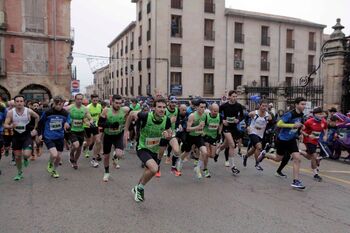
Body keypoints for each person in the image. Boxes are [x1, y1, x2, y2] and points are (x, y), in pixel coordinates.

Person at [125, 97, 172, 202]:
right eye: (159, 107)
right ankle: (140, 188)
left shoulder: (166, 119)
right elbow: (132, 114)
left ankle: (137, 187)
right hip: (142, 147)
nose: (162, 109)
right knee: (154, 169)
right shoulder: (145, 116)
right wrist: (126, 131)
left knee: (148, 171)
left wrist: (168, 135)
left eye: (164, 107)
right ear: (154, 108)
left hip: (154, 150)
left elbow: (170, 133)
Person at [257, 97, 306, 189]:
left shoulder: (301, 115)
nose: (304, 106)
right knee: (277, 159)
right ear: (296, 104)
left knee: (297, 158)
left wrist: (300, 131)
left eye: (304, 104)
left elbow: (298, 125)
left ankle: (296, 181)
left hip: (291, 140)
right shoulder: (290, 114)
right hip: (282, 140)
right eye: (302, 104)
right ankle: (265, 154)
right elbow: (279, 124)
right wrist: (292, 125)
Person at [4, 95, 39, 181]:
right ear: (15, 103)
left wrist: (35, 129)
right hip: (16, 137)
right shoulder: (11, 112)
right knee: (17, 157)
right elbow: (5, 124)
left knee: (26, 154)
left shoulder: (28, 111)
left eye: (21, 101)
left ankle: (26, 158)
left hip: (27, 135)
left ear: (24, 102)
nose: (19, 103)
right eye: (17, 101)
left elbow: (37, 117)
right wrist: (10, 126)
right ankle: (19, 172)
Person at [98, 95, 130, 182]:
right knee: (106, 156)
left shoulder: (125, 110)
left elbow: (132, 114)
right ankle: (106, 172)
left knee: (120, 154)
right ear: (112, 102)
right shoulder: (106, 111)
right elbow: (100, 123)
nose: (118, 105)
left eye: (120, 103)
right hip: (108, 136)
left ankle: (115, 158)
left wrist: (127, 127)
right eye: (116, 103)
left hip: (118, 135)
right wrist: (109, 125)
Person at [38, 96, 70, 178]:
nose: (59, 106)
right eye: (57, 104)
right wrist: (40, 134)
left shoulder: (65, 113)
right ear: (54, 104)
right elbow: (40, 123)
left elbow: (69, 120)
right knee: (55, 155)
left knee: (58, 157)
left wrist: (67, 123)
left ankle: (54, 170)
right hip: (49, 136)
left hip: (60, 137)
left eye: (60, 104)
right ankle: (50, 163)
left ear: (63, 104)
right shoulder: (48, 112)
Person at [177, 98, 208, 178]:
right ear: (197, 107)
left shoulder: (205, 115)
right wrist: (198, 127)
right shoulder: (192, 115)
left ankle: (197, 168)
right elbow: (188, 129)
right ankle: (180, 161)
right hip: (190, 136)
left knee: (204, 152)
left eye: (204, 107)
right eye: (201, 107)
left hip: (198, 136)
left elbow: (204, 126)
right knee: (186, 152)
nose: (203, 109)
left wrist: (203, 131)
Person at [216, 90, 244, 175]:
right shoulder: (224, 106)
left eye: (236, 96)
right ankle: (233, 166)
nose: (235, 98)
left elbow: (242, 115)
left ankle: (218, 150)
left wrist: (238, 120)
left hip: (234, 128)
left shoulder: (239, 106)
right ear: (229, 97)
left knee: (225, 145)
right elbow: (217, 114)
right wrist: (222, 120)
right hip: (226, 128)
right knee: (232, 145)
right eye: (233, 96)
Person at [66, 93, 94, 169]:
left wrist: (90, 122)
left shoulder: (85, 109)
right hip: (72, 130)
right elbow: (62, 114)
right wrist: (66, 122)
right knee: (76, 145)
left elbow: (90, 118)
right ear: (75, 100)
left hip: (81, 130)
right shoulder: (70, 108)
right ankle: (71, 154)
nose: (79, 101)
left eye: (81, 99)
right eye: (78, 99)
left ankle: (75, 161)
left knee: (79, 148)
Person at [243, 99, 272, 171]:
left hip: (261, 134)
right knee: (259, 147)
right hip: (252, 132)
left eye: (266, 106)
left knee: (253, 149)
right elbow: (246, 117)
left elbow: (272, 123)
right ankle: (257, 163)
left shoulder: (268, 116)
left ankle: (245, 156)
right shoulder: (254, 113)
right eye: (263, 106)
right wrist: (247, 126)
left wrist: (269, 129)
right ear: (259, 106)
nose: (264, 107)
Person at [301, 107, 327, 182]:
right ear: (314, 114)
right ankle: (315, 174)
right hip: (308, 140)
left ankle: (300, 151)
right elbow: (301, 131)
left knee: (310, 157)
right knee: (314, 156)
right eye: (319, 114)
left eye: (321, 114)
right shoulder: (309, 122)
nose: (321, 115)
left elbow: (325, 128)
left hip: (316, 141)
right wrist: (308, 136)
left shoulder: (323, 121)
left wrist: (325, 135)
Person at [83, 94, 103, 168]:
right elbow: (84, 118)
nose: (95, 102)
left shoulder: (99, 106)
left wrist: (101, 123)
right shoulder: (87, 107)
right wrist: (88, 123)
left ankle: (94, 158)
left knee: (98, 141)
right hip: (87, 126)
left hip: (95, 126)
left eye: (97, 100)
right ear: (91, 100)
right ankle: (85, 147)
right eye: (94, 100)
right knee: (89, 142)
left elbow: (99, 115)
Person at [203, 103, 222, 177]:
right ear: (210, 110)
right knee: (207, 153)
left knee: (212, 155)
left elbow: (221, 124)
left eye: (217, 111)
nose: (216, 112)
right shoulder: (206, 117)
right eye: (214, 111)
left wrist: (219, 133)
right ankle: (205, 169)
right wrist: (203, 133)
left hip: (214, 137)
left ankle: (216, 152)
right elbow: (202, 126)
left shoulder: (219, 116)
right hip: (206, 137)